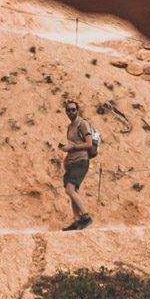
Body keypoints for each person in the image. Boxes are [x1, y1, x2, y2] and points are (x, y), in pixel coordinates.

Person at [57, 98, 94, 230]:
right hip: (72, 162)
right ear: (66, 112)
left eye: (73, 109)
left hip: (81, 161)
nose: (71, 112)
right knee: (73, 190)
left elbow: (89, 144)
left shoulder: (82, 124)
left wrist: (72, 147)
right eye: (68, 110)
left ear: (77, 110)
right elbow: (73, 144)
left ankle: (86, 217)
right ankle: (77, 221)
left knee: (70, 189)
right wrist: (67, 148)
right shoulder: (70, 127)